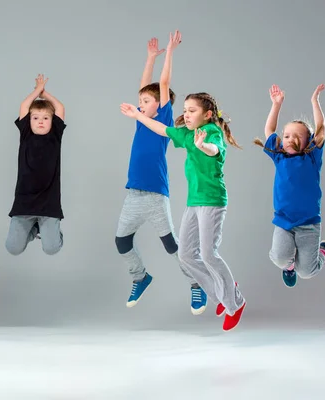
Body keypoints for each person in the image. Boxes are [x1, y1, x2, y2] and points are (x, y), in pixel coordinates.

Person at [120, 92, 245, 331]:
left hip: (212, 201)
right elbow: (161, 128)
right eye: (185, 110)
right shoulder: (187, 135)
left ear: (207, 115)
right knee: (186, 255)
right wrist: (136, 115)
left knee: (209, 254)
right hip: (193, 203)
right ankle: (222, 293)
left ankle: (235, 302)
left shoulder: (212, 133)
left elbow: (214, 151)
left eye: (192, 111)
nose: (186, 115)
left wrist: (202, 145)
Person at [114, 31, 204, 314]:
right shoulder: (142, 121)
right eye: (140, 102)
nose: (140, 105)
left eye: (146, 101)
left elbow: (162, 83)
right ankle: (140, 277)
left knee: (172, 246)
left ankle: (196, 284)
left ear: (160, 106)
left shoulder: (162, 119)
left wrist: (170, 53)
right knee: (121, 241)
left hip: (155, 196)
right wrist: (150, 57)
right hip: (133, 195)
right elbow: (146, 85)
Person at [253, 83, 325, 288]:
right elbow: (269, 129)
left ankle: (324, 251)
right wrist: (276, 105)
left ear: (308, 142)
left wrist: (314, 102)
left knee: (307, 272)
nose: (290, 139)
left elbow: (321, 128)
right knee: (280, 258)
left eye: (297, 136)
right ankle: (288, 266)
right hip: (284, 221)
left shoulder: (312, 157)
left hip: (309, 223)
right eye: (287, 136)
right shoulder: (279, 158)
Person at [5, 74, 66, 256]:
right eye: (36, 118)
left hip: (49, 201)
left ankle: (48, 231)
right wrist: (36, 91)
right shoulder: (26, 134)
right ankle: (35, 229)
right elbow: (25, 106)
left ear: (52, 121)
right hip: (25, 201)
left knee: (51, 248)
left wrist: (44, 94)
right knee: (13, 248)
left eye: (46, 118)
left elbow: (60, 107)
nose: (40, 121)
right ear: (29, 121)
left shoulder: (55, 134)